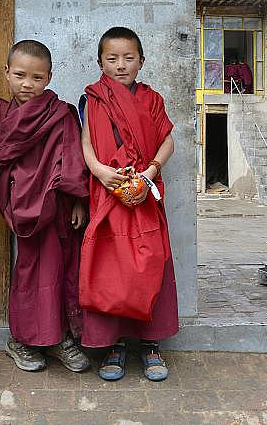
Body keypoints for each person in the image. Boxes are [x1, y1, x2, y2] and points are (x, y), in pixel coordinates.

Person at [0, 8, 91, 373]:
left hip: (59, 207)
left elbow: (72, 155)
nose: (27, 84)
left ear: (49, 78)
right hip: (26, 209)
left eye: (36, 77)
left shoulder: (60, 113)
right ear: (6, 73)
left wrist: (79, 200)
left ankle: (61, 338)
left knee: (64, 270)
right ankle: (22, 340)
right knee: (30, 271)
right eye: (19, 75)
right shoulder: (1, 111)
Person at [79, 26, 178, 382]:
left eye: (128, 58)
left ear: (141, 61)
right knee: (112, 269)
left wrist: (150, 173)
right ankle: (115, 344)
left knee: (150, 263)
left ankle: (151, 344)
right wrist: (100, 172)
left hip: (143, 192)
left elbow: (167, 141)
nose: (120, 65)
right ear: (100, 62)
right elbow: (86, 142)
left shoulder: (152, 100)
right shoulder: (92, 99)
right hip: (108, 191)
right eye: (112, 58)